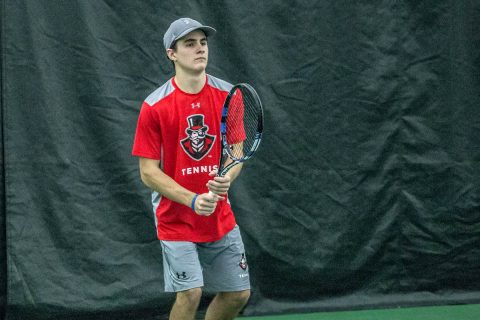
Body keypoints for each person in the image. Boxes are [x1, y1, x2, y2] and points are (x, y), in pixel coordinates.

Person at [132, 17, 251, 320]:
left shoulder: (228, 96)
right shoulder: (154, 106)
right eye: (189, 44)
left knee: (238, 294)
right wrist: (193, 200)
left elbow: (236, 150)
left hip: (219, 217)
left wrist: (226, 177)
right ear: (171, 54)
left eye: (203, 42)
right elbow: (147, 171)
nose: (199, 49)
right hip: (175, 221)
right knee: (190, 294)